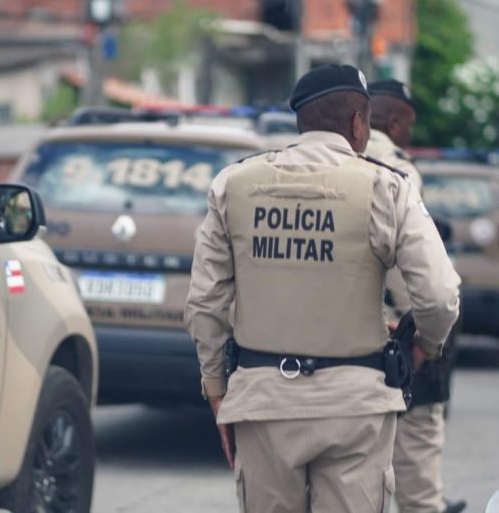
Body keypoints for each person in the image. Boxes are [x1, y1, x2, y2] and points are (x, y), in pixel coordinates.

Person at [185, 64, 461, 512]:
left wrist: (217, 388)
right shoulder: (386, 187)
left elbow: (204, 304)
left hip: (263, 400)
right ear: (358, 123)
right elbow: (439, 294)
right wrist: (425, 345)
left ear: (302, 121)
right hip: (355, 405)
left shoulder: (234, 185)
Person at [366, 79, 467, 513]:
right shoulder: (397, 169)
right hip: (395, 331)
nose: (409, 135)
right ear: (392, 122)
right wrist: (426, 339)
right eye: (407, 126)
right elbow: (417, 276)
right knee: (417, 446)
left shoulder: (313, 159)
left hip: (331, 340)